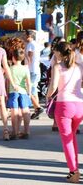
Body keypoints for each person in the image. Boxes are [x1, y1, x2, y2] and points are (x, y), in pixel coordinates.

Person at [46, 42, 83, 183]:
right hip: (79, 105)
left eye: (55, 52)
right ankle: (75, 170)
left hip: (64, 106)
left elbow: (53, 86)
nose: (54, 54)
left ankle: (74, 172)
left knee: (67, 140)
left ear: (59, 53)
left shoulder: (57, 67)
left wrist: (49, 96)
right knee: (71, 137)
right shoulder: (79, 66)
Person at [7, 48, 31, 140]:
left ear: (13, 58)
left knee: (14, 112)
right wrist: (29, 93)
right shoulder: (25, 69)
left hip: (13, 92)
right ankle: (26, 131)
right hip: (23, 92)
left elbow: (8, 82)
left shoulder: (10, 69)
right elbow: (28, 82)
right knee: (25, 111)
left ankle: (15, 132)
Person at [25, 30, 44, 119]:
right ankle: (37, 110)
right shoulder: (36, 44)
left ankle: (38, 108)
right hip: (36, 70)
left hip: (31, 70)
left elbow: (29, 57)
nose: (24, 37)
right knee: (34, 90)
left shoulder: (30, 45)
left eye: (25, 35)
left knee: (29, 90)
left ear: (29, 36)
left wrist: (26, 68)